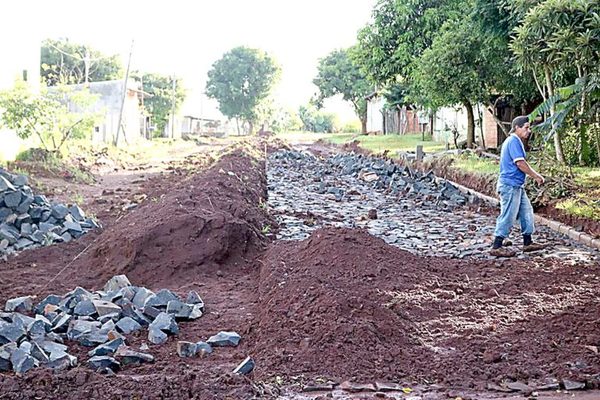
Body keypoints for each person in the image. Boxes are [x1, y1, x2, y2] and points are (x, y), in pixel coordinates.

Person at [490, 115, 548, 257]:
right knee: (509, 215)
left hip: (517, 185)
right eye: (526, 127)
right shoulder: (514, 141)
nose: (529, 131)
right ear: (517, 128)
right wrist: (536, 176)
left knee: (526, 212)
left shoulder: (514, 141)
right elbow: (520, 163)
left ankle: (527, 242)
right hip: (510, 185)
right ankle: (496, 246)